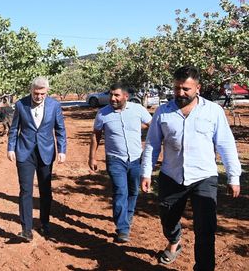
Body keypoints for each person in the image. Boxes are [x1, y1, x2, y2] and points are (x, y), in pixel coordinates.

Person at [141, 66, 241, 270]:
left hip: (204, 177)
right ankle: (174, 239)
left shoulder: (213, 111)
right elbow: (152, 143)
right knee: (167, 218)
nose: (180, 93)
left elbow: (226, 144)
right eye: (177, 88)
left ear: (198, 88)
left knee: (205, 229)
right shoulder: (163, 111)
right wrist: (146, 172)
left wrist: (233, 176)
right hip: (171, 175)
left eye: (186, 88)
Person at [88, 83, 151, 243]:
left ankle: (127, 217)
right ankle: (122, 228)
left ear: (125, 96)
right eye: (111, 95)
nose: (112, 98)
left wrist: (151, 146)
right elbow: (96, 135)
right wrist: (92, 157)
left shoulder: (138, 110)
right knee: (120, 191)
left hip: (137, 159)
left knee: (133, 191)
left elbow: (154, 127)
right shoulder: (103, 114)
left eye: (116, 95)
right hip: (115, 159)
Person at [7, 76, 67, 242]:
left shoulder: (54, 105)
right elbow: (14, 129)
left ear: (47, 92)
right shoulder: (21, 104)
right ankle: (26, 229)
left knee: (45, 190)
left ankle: (45, 223)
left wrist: (62, 150)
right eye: (36, 93)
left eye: (42, 94)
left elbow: (60, 129)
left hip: (45, 152)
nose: (39, 97)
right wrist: (11, 148)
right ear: (31, 90)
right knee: (26, 191)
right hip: (25, 152)